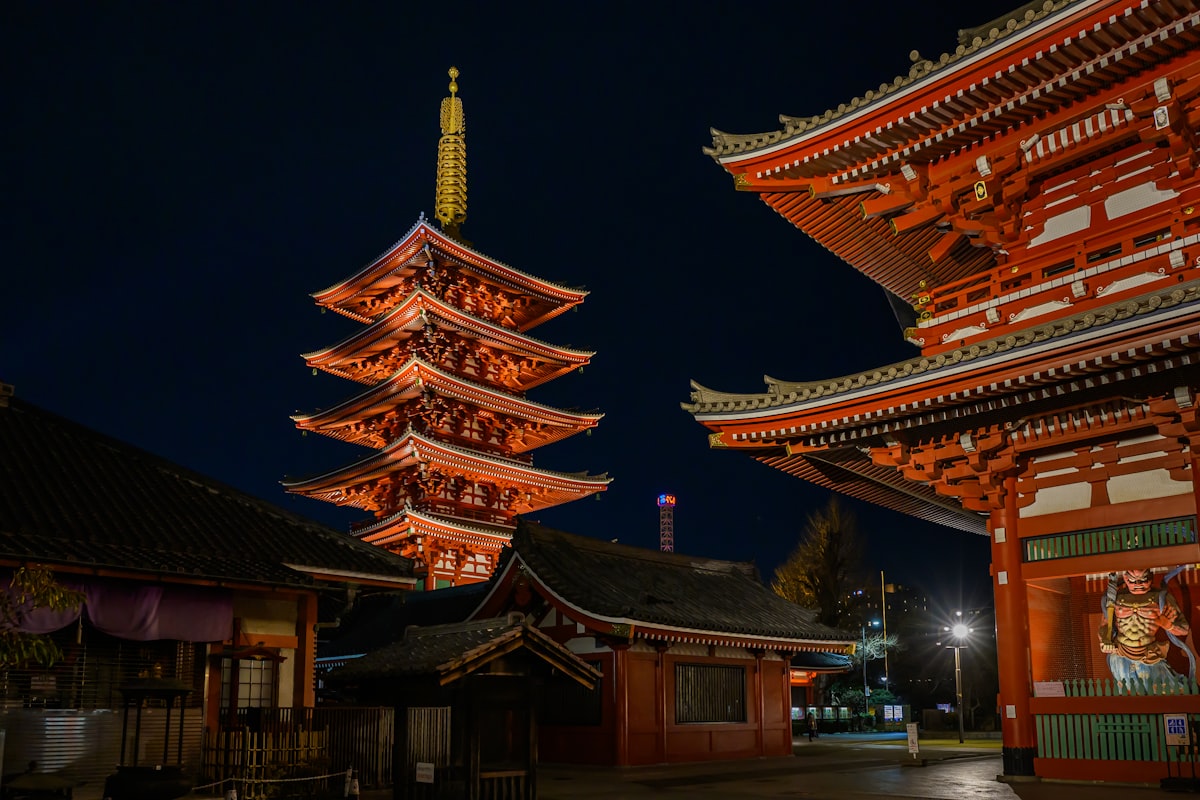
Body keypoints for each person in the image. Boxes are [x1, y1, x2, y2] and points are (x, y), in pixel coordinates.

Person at [1099, 567, 1193, 687]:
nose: (1138, 584)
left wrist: (1169, 625)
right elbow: (1104, 625)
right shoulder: (1115, 598)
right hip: (1121, 654)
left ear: (1151, 577)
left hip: (1149, 655)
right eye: (1132, 581)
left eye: (1143, 580)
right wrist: (1104, 641)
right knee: (1131, 692)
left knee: (1164, 689)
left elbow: (1184, 629)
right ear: (1125, 579)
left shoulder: (1159, 598)